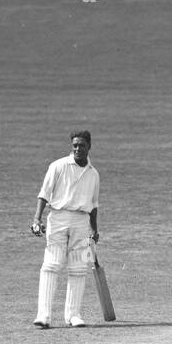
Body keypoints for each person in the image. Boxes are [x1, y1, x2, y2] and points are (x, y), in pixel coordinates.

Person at [31, 132, 100, 328]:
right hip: (58, 218)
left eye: (82, 145)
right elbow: (44, 194)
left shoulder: (94, 173)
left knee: (79, 268)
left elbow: (94, 205)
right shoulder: (58, 166)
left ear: (89, 147)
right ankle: (43, 316)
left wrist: (94, 230)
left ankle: (73, 315)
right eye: (75, 145)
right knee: (51, 265)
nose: (78, 149)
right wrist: (37, 218)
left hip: (82, 222)